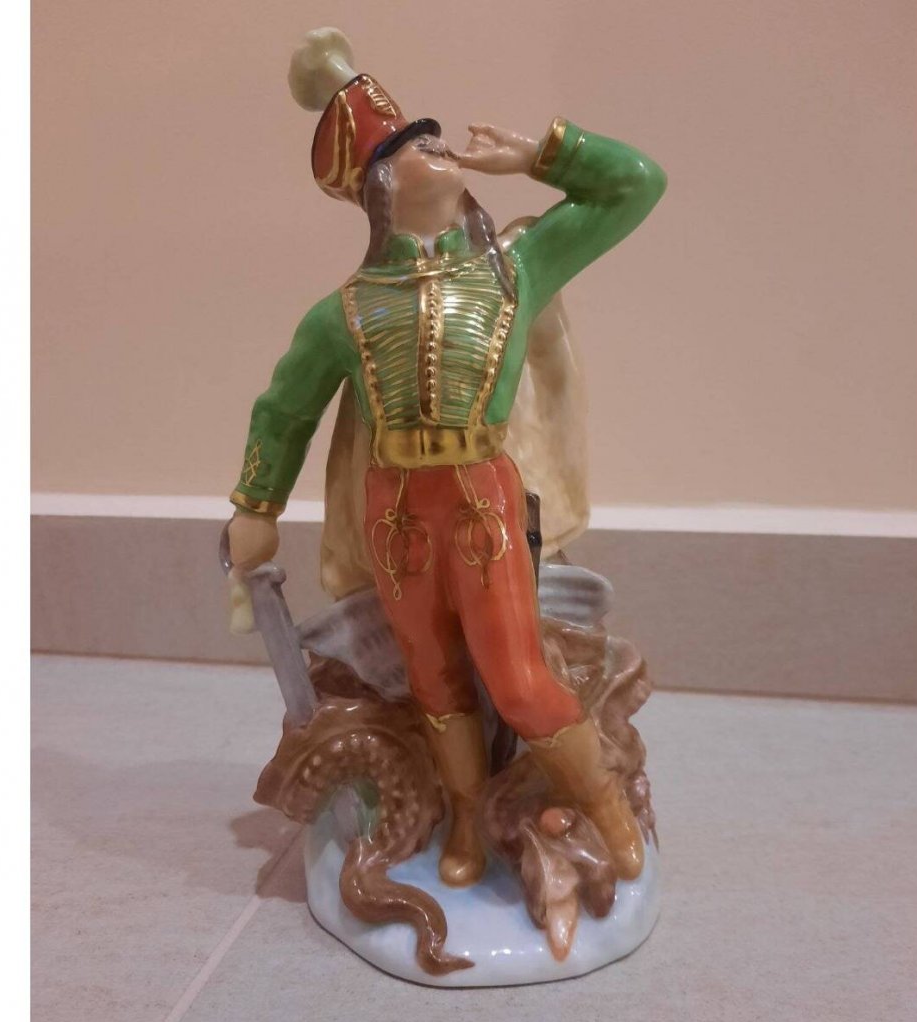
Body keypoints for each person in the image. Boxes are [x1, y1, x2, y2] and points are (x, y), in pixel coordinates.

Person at [226, 60, 665, 887]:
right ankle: (464, 812)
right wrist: (257, 505)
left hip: (479, 498)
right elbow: (285, 409)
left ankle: (603, 803)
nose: (431, 143)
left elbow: (636, 186)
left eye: (425, 135)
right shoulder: (346, 310)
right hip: (395, 509)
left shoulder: (515, 267)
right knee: (431, 677)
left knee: (519, 678)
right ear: (378, 187)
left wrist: (543, 155)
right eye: (405, 145)